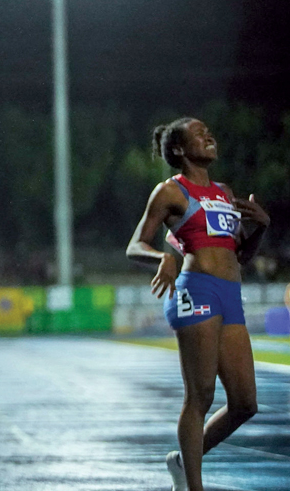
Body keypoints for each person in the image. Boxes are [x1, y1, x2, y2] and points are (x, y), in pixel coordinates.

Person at [126, 117, 269, 491]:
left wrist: (261, 228)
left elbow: (240, 256)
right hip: (196, 291)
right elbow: (134, 245)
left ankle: (182, 461)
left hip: (229, 295)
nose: (209, 136)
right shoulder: (170, 192)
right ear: (178, 149)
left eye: (209, 132)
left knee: (244, 403)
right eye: (199, 134)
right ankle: (193, 487)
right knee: (201, 395)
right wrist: (162, 257)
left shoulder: (224, 191)